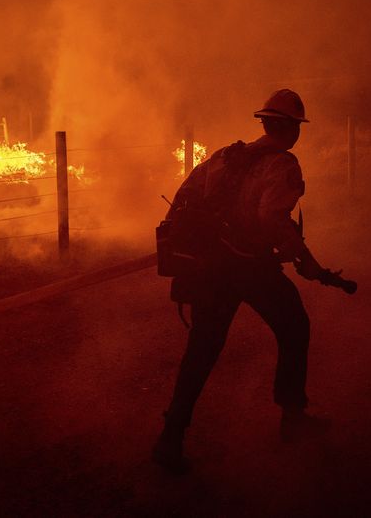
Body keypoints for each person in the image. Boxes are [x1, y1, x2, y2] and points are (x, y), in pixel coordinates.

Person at [152, 88, 356, 474]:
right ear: (293, 129)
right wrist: (307, 260)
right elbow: (271, 220)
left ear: (264, 123)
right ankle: (293, 419)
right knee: (295, 326)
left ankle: (170, 439)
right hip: (250, 267)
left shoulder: (225, 157)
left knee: (202, 351)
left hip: (212, 267)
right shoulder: (283, 165)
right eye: (295, 126)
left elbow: (185, 198)